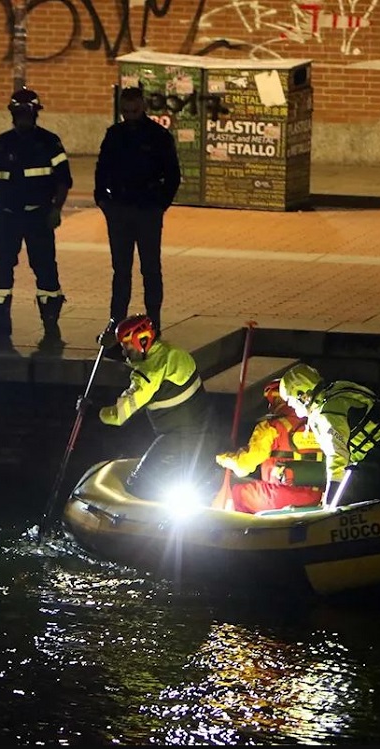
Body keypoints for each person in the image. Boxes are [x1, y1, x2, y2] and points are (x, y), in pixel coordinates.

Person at [0, 88, 72, 343]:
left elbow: (63, 180)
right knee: (1, 268)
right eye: (19, 114)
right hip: (7, 217)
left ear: (35, 114)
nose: (23, 118)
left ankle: (51, 326)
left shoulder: (50, 143)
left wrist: (56, 209)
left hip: (39, 217)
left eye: (27, 113)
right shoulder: (0, 144)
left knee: (45, 268)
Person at [93, 85, 181, 347]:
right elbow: (102, 170)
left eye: (134, 110)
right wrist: (103, 200)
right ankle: (116, 322)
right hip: (120, 209)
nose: (130, 116)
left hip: (146, 210)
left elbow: (172, 174)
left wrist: (159, 204)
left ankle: (154, 322)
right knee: (121, 270)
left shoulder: (158, 136)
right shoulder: (115, 135)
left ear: (142, 107)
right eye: (126, 111)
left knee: (150, 268)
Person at [98, 314, 220, 501]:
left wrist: (94, 411)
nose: (124, 352)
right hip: (206, 434)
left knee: (139, 483)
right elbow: (142, 359)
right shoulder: (174, 353)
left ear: (142, 341)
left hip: (179, 440)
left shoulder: (149, 376)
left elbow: (118, 416)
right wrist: (110, 348)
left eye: (127, 346)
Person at [278, 364, 380, 508]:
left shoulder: (326, 414)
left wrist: (330, 501)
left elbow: (337, 456)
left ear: (301, 395)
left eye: (290, 400)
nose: (291, 405)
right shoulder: (337, 389)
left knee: (350, 498)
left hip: (377, 458)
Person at [215, 379, 326, 514]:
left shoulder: (271, 427)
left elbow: (244, 466)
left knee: (237, 493)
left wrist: (223, 458)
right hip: (315, 498)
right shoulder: (319, 425)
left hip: (277, 497)